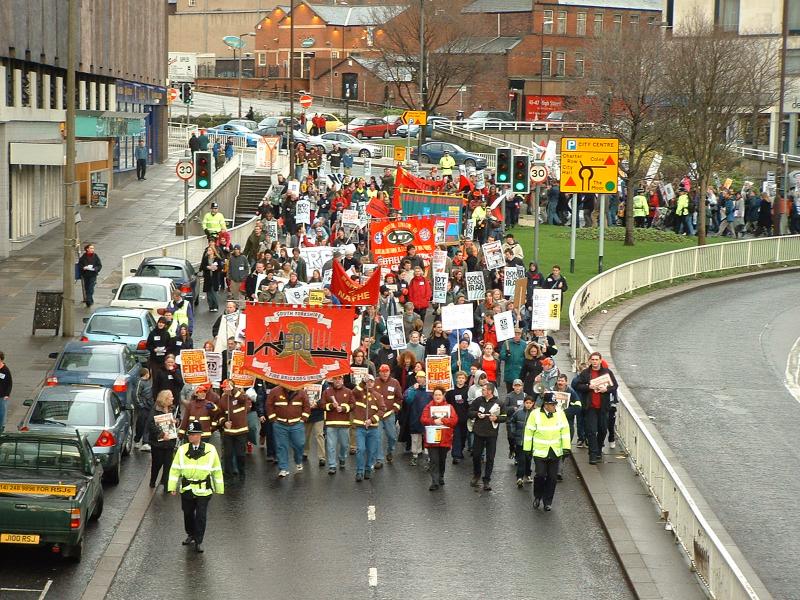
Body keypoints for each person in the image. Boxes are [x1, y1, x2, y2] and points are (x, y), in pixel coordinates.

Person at [167, 420, 224, 553]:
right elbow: (175, 469)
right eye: (189, 434)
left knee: (201, 516)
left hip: (204, 489)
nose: (190, 436)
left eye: (193, 434)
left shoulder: (210, 450)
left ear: (199, 435)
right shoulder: (182, 450)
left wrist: (219, 488)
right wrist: (172, 486)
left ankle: (199, 541)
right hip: (187, 488)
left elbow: (216, 469)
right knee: (187, 513)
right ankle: (190, 534)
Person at [524, 392, 571, 511]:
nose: (554, 406)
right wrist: (527, 449)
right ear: (545, 404)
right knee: (540, 475)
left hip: (555, 451)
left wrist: (566, 447)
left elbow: (565, 431)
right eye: (551, 404)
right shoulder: (535, 414)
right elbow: (529, 432)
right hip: (540, 452)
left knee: (552, 478)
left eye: (555, 404)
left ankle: (548, 501)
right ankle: (537, 496)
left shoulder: (560, 413)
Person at [573, 352, 618, 465]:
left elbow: (615, 386)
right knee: (592, 431)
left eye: (596, 359)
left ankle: (598, 449)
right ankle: (592, 454)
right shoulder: (585, 373)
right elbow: (576, 385)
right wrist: (588, 387)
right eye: (592, 359)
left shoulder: (607, 372)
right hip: (591, 407)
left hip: (603, 407)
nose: (594, 361)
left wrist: (606, 390)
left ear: (600, 360)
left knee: (603, 429)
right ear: (590, 361)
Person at [468, 381, 506, 491]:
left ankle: (487, 480)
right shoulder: (478, 400)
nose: (482, 391)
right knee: (476, 455)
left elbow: (504, 417)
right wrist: (476, 414)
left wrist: (496, 418)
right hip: (479, 432)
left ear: (490, 391)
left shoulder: (499, 403)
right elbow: (469, 412)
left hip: (491, 434)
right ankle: (476, 475)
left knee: (490, 458)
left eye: (484, 389)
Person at [267, 385, 311, 478]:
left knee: (300, 444)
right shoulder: (275, 391)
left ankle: (298, 461)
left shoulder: (302, 392)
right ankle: (283, 468)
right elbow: (269, 405)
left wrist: (303, 419)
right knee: (281, 446)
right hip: (280, 424)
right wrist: (273, 419)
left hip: (297, 424)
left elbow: (307, 406)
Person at [420, 387, 458, 491]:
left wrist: (443, 420)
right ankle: (434, 481)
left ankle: (441, 476)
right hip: (432, 438)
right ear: (433, 396)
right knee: (434, 460)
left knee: (442, 459)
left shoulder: (449, 407)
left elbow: (454, 420)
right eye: (436, 395)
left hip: (445, 438)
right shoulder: (428, 407)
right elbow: (423, 419)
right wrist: (433, 421)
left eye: (439, 395)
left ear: (443, 396)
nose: (437, 397)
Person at [351, 375, 386, 482]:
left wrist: (371, 420)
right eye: (367, 382)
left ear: (374, 383)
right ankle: (359, 471)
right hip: (360, 428)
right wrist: (362, 382)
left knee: (371, 451)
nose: (369, 383)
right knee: (361, 449)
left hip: (373, 428)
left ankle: (368, 469)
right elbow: (354, 391)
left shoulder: (378, 396)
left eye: (371, 381)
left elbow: (382, 410)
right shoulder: (358, 394)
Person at [216, 379, 252, 482]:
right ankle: (229, 475)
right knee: (228, 454)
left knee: (240, 454)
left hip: (241, 431)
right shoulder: (222, 399)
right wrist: (224, 422)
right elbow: (220, 415)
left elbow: (242, 399)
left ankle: (242, 472)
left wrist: (233, 390)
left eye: (228, 387)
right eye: (224, 387)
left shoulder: (240, 395)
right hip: (228, 432)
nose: (226, 389)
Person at [321, 375, 353, 474]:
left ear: (343, 380)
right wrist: (331, 406)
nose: (337, 381)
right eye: (335, 379)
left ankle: (342, 458)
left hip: (344, 423)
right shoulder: (327, 392)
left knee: (344, 445)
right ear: (333, 380)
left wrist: (343, 408)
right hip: (331, 423)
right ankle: (332, 465)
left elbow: (353, 405)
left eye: (340, 379)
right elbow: (322, 405)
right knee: (331, 445)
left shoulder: (348, 392)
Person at [147, 389, 177, 491]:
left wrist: (176, 421)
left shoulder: (173, 409)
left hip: (170, 442)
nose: (173, 398)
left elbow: (178, 420)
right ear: (165, 399)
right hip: (158, 444)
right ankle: (152, 480)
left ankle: (166, 484)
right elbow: (151, 425)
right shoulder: (155, 410)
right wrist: (161, 434)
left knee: (168, 464)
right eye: (171, 397)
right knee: (157, 463)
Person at [372, 364, 401, 467]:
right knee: (378, 437)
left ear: (389, 372)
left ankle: (390, 451)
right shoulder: (374, 382)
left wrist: (394, 409)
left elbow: (399, 398)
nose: (385, 373)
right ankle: (379, 460)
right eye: (382, 371)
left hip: (389, 414)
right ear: (379, 372)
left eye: (386, 371)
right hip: (377, 415)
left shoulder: (395, 382)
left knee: (392, 436)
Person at [404, 371, 431, 467]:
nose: (419, 379)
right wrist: (413, 391)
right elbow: (408, 400)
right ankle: (415, 455)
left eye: (421, 377)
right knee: (415, 438)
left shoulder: (430, 390)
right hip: (415, 417)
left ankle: (428, 457)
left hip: (428, 418)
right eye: (418, 377)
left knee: (428, 438)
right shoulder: (411, 389)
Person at [509, 395, 535, 487]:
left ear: (533, 404)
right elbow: (512, 421)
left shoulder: (535, 414)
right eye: (527, 403)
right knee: (521, 460)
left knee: (528, 459)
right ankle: (519, 477)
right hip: (520, 441)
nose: (528, 405)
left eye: (530, 403)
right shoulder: (518, 413)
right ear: (524, 403)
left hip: (531, 442)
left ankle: (527, 474)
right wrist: (513, 432)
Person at [134, 367, 154, 452]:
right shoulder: (140, 383)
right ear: (146, 374)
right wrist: (141, 405)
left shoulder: (149, 382)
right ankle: (137, 440)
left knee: (148, 423)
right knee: (141, 424)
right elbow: (136, 394)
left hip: (150, 406)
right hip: (143, 407)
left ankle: (146, 442)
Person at [200, 246, 225, 313]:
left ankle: (215, 306)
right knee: (208, 294)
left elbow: (221, 267)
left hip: (215, 278)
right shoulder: (205, 258)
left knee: (214, 292)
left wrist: (216, 268)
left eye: (210, 250)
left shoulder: (217, 258)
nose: (209, 251)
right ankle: (210, 306)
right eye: (208, 250)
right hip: (208, 278)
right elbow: (202, 266)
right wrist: (207, 267)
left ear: (213, 251)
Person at [0, 351, 11, 433]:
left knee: (1, 412)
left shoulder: (5, 370)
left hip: (2, 396)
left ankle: (1, 427)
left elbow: (9, 383)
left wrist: (7, 394)